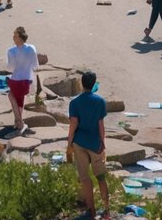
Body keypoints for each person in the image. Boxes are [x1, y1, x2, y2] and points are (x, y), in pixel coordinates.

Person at [67, 70, 110, 220]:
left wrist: (69, 142)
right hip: (95, 144)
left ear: (81, 83)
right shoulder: (99, 102)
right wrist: (103, 144)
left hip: (79, 143)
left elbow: (74, 123)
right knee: (101, 177)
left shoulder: (75, 103)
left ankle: (91, 211)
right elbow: (101, 125)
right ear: (94, 84)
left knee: (85, 178)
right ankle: (106, 210)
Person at [6, 26, 39, 136]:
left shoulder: (11, 51)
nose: (13, 38)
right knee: (20, 100)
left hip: (16, 80)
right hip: (27, 80)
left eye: (15, 36)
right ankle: (18, 121)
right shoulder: (31, 48)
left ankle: (20, 122)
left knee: (11, 96)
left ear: (20, 38)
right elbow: (35, 65)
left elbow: (10, 68)